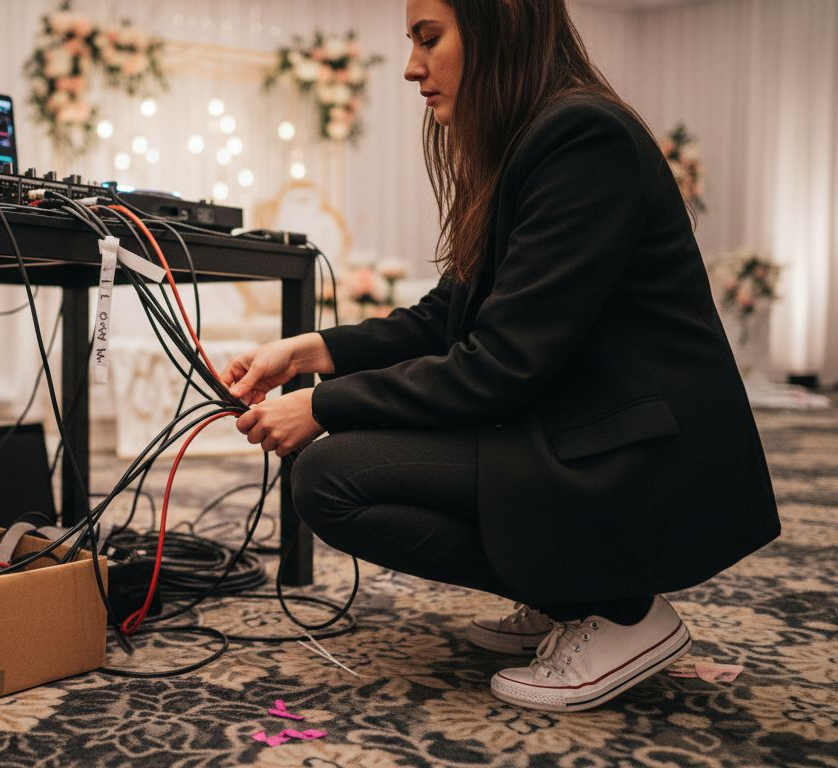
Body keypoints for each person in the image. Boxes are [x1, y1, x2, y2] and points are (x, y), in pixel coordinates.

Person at [225, 0, 779, 712]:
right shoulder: (530, 140)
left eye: (429, 39)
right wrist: (315, 350)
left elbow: (501, 363)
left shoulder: (584, 137)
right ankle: (567, 593)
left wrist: (321, 405)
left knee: (330, 475)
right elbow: (445, 319)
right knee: (333, 459)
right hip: (572, 428)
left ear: (500, 27)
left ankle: (620, 609)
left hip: (640, 457)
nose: (411, 66)